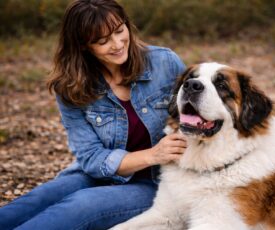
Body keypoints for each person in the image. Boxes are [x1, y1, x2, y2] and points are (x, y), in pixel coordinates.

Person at [0, 0, 187, 229]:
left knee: (79, 206)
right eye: (102, 41)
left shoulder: (165, 63)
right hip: (95, 174)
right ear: (83, 46)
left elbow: (196, 114)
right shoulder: (70, 86)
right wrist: (153, 154)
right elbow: (91, 157)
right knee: (37, 200)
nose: (117, 44)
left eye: (119, 31)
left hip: (158, 182)